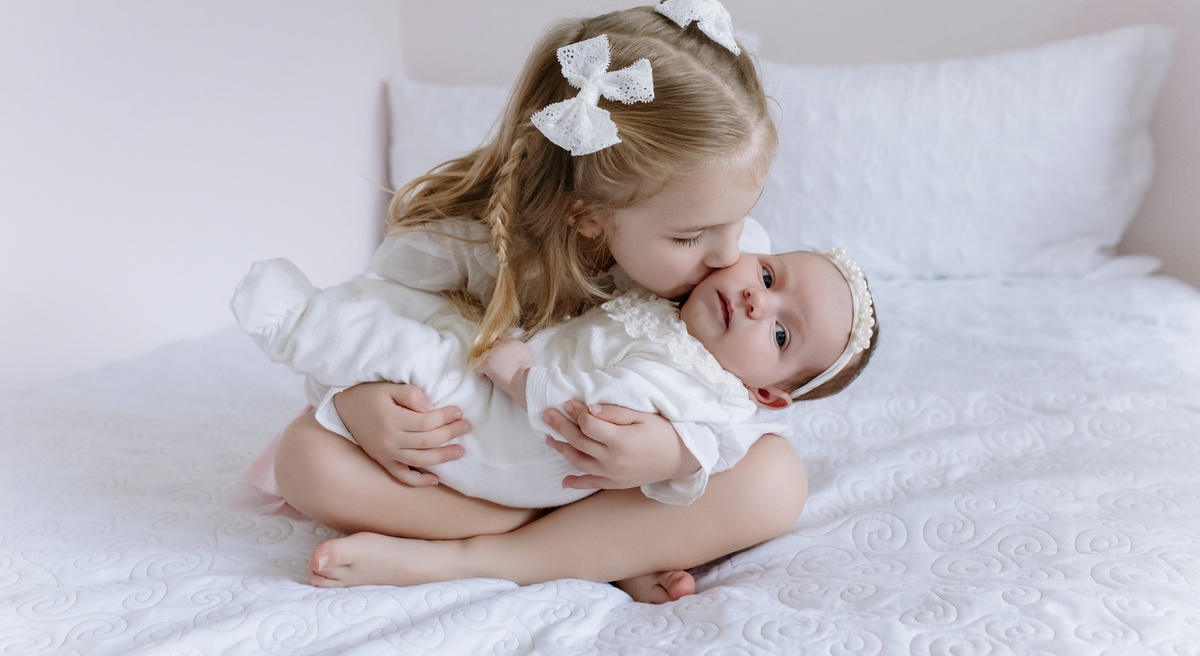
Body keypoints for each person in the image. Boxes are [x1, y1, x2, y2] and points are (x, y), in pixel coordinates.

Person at [264, 0, 813, 603]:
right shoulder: (462, 245)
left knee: (777, 480)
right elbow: (358, 326)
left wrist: (674, 456)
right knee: (303, 458)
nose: (729, 254)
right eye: (692, 235)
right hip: (485, 462)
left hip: (616, 478)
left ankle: (481, 558)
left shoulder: (727, 269)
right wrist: (360, 403)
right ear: (587, 215)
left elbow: (740, 397)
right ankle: (590, 542)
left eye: (740, 219)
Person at [233, 247, 876, 511]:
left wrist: (522, 376)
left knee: (413, 353)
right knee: (416, 318)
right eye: (768, 275)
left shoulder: (699, 385)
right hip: (504, 377)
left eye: (781, 334)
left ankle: (293, 322)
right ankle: (345, 312)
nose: (759, 301)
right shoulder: (682, 302)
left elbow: (589, 413)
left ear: (766, 394)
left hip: (499, 430)